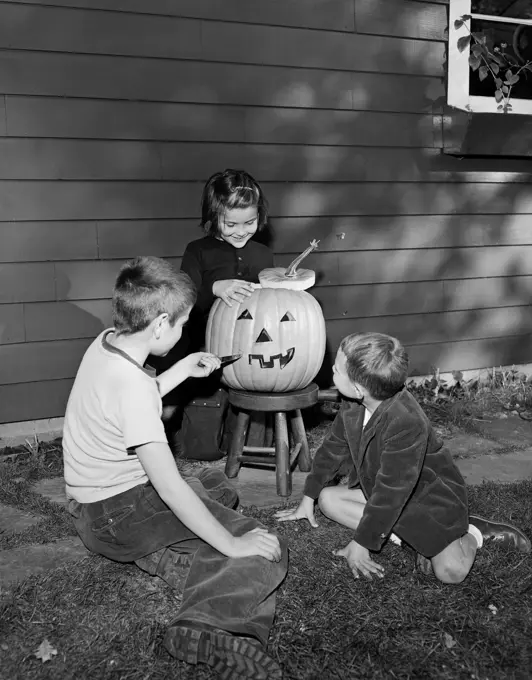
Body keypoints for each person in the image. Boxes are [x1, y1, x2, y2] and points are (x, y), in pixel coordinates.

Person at [63, 256, 287, 679]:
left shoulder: (109, 342)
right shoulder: (130, 387)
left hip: (92, 505)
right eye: (183, 324)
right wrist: (234, 543)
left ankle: (178, 555)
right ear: (161, 323)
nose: (184, 332)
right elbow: (168, 486)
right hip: (118, 513)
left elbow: (135, 401)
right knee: (263, 548)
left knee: (211, 490)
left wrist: (183, 369)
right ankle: (206, 626)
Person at [276, 332, 531, 583]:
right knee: (328, 499)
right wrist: (308, 497)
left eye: (337, 371)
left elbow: (391, 492)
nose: (332, 370)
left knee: (450, 572)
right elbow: (332, 449)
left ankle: (474, 532)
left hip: (427, 500)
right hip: (386, 492)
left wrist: (361, 543)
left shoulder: (406, 422)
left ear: (359, 388)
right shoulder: (352, 403)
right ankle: (403, 537)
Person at [158, 169, 274, 458]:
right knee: (179, 415)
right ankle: (160, 438)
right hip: (199, 342)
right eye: (231, 223)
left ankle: (239, 438)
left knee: (247, 398)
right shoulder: (198, 251)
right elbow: (184, 300)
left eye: (249, 222)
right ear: (213, 217)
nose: (241, 230)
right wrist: (214, 287)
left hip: (245, 345)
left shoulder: (262, 254)